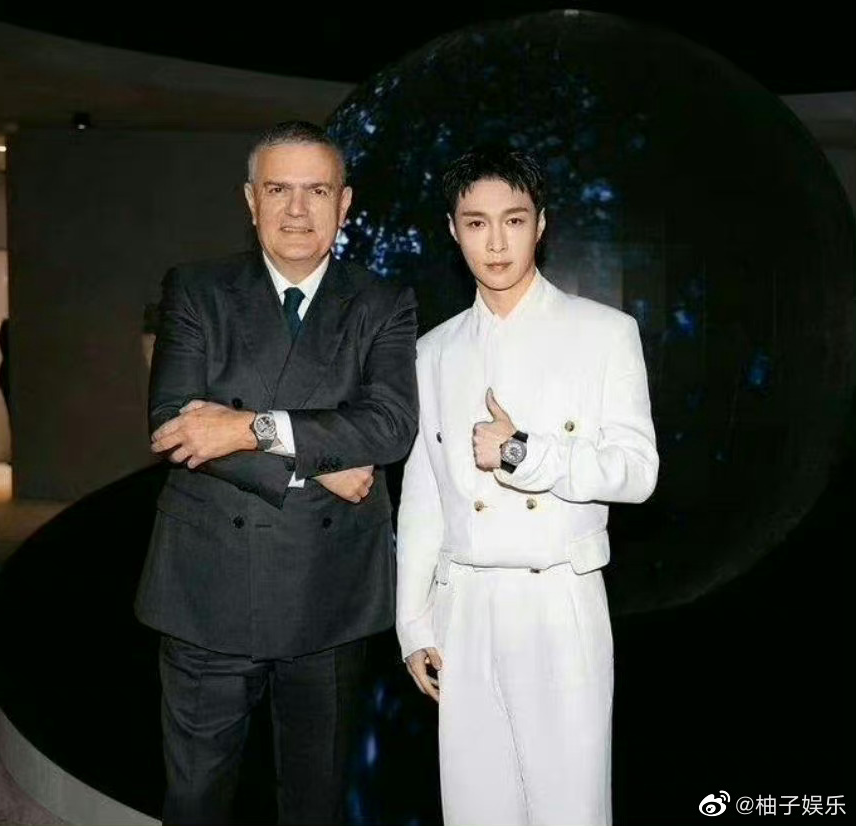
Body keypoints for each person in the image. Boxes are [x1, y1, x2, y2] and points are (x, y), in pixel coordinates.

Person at [135, 121, 418, 825]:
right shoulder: (197, 290)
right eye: (278, 190)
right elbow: (173, 423)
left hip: (330, 591)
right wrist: (319, 465)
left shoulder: (383, 302)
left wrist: (249, 427)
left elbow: (389, 426)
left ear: (344, 203)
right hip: (207, 588)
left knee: (315, 800)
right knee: (196, 800)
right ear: (250, 199)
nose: (297, 210)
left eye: (317, 191)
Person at [396, 146, 658, 826]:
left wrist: (523, 452)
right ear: (453, 231)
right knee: (475, 808)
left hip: (558, 601)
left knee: (570, 808)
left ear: (540, 224)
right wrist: (413, 623)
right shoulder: (432, 353)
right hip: (464, 606)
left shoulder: (604, 334)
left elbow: (638, 472)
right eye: (476, 223)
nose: (496, 243)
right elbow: (423, 499)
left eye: (513, 221)